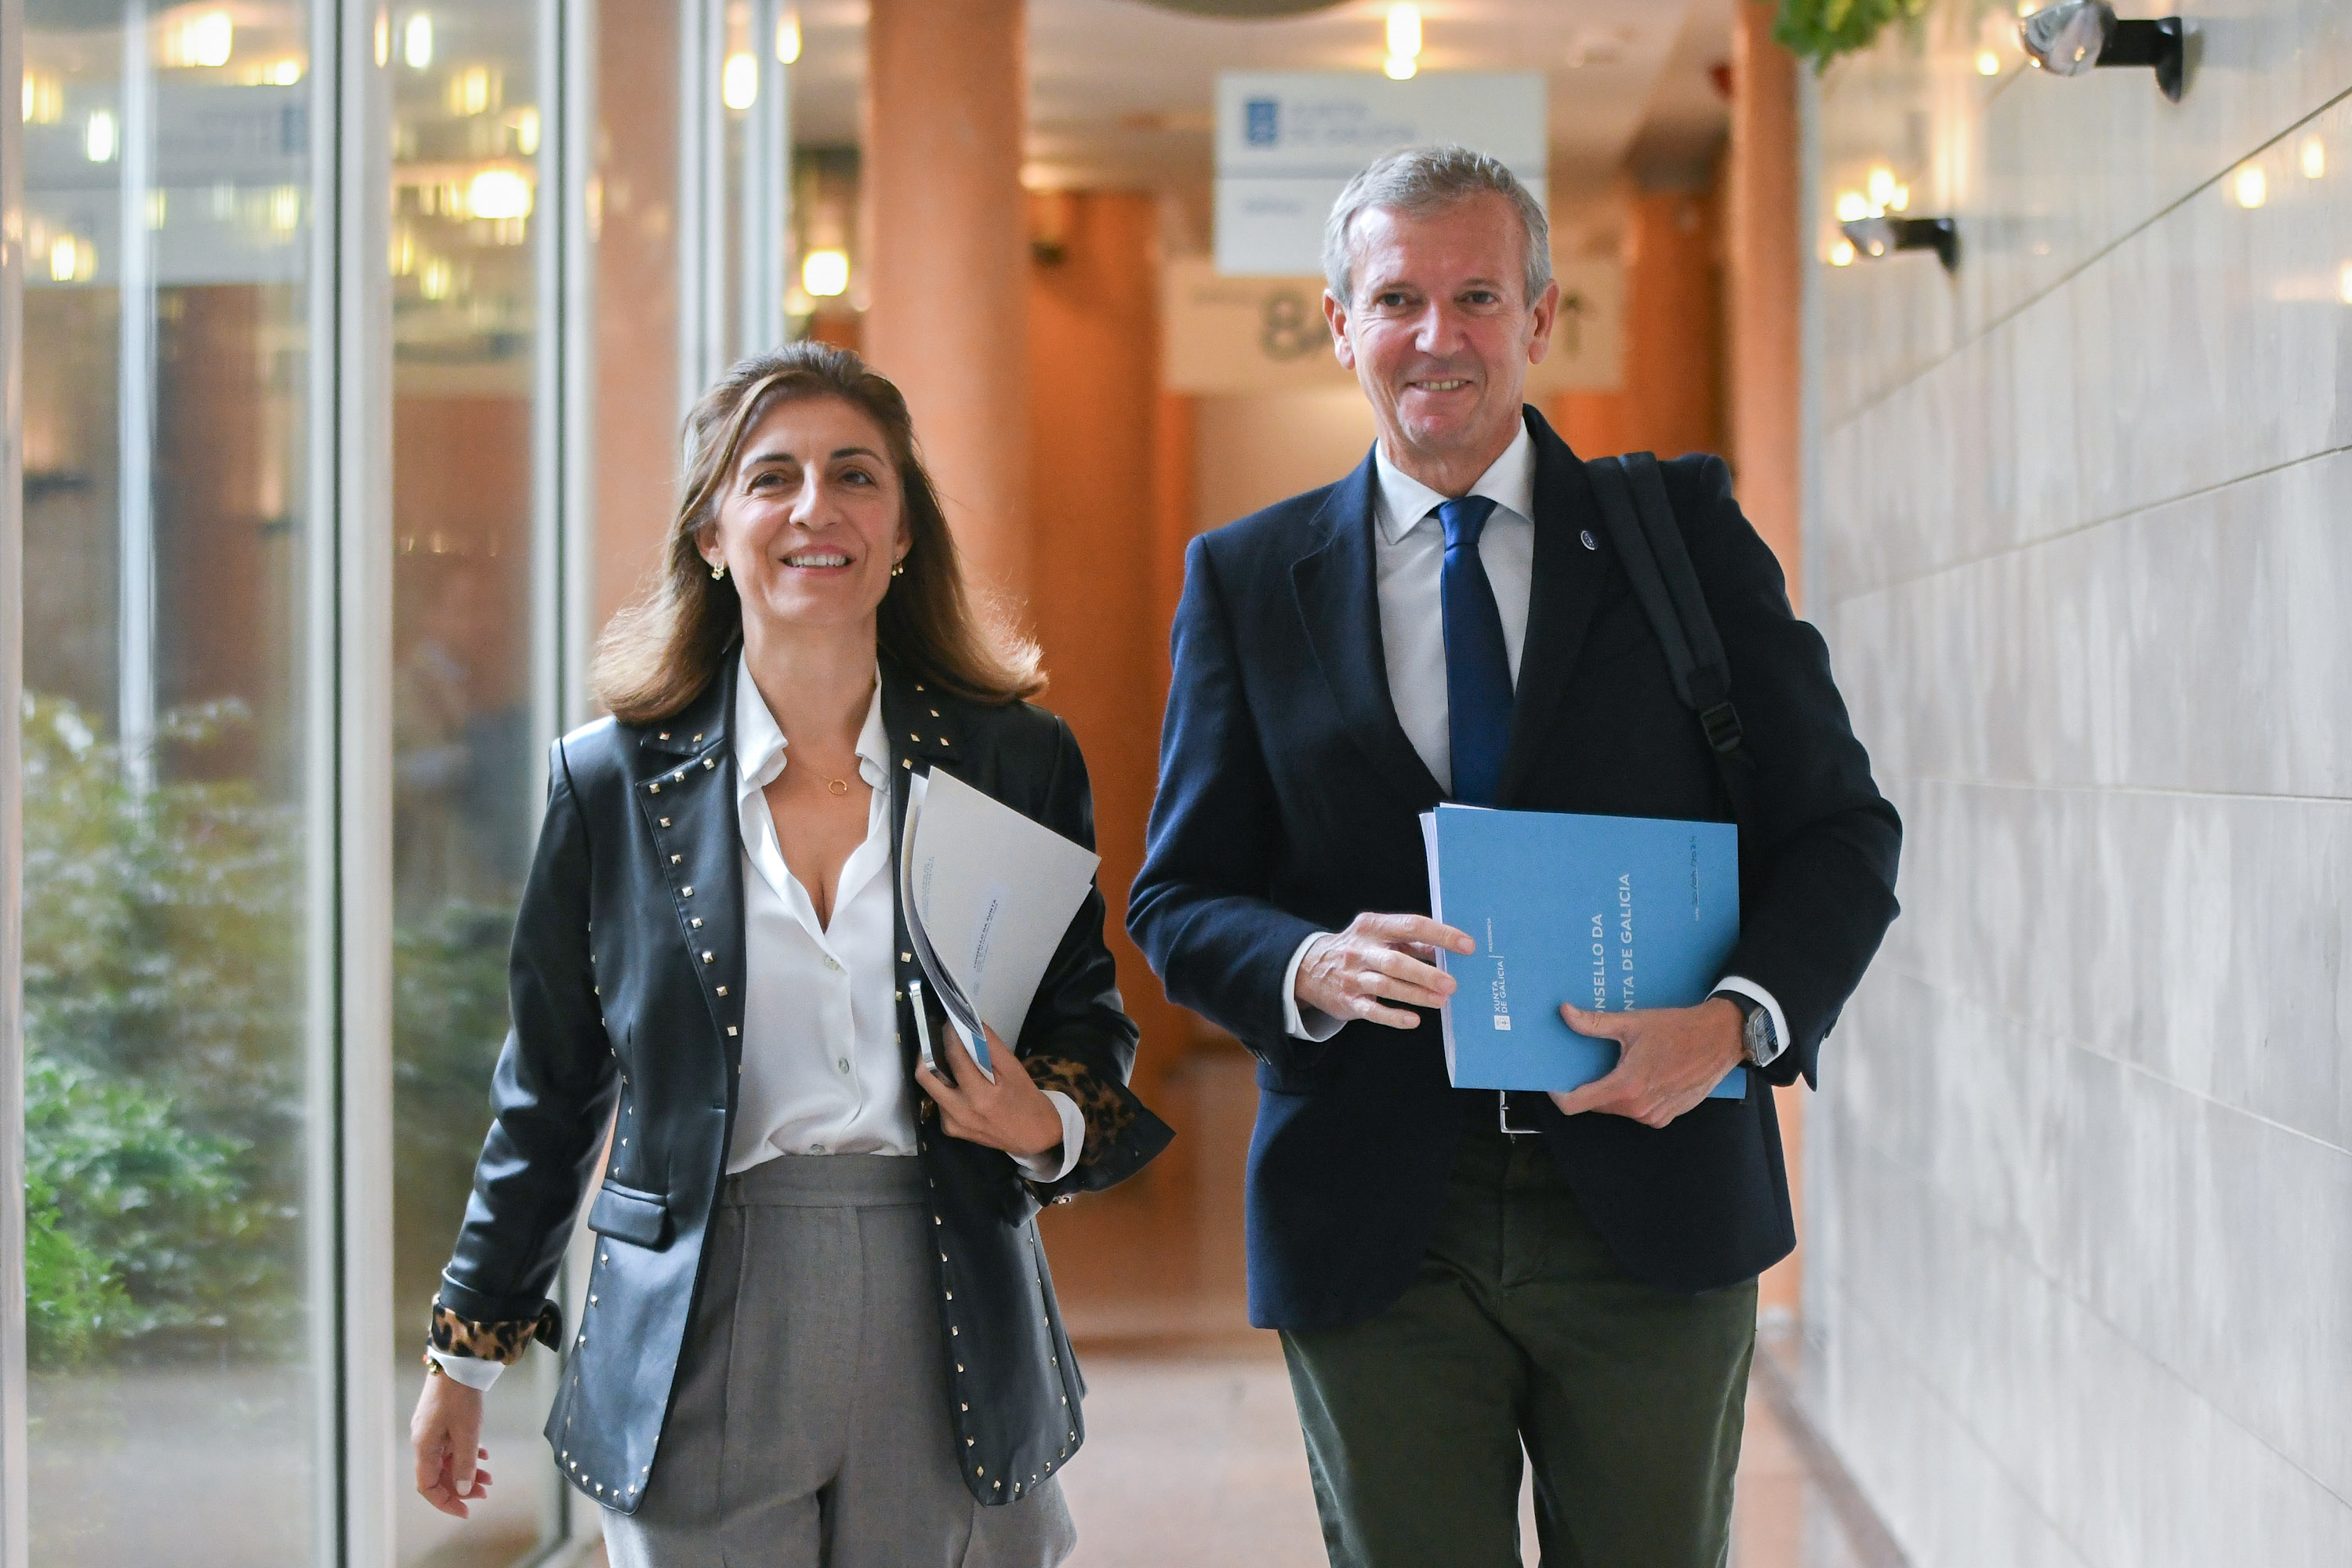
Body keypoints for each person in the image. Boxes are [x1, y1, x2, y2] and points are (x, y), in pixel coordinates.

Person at [1129, 145, 1901, 1566]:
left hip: (1652, 1191)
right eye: (1397, 299)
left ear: (1541, 318)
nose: (1438, 336)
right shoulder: (1246, 579)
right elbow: (1178, 895)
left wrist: (1735, 1024)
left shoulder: (1681, 537)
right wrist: (1307, 963)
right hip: (1374, 1214)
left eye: (1477, 296)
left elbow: (1844, 833)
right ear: (1339, 323)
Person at [408, 342, 1171, 1567]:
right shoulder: (606, 784)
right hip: (697, 1311)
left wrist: (1046, 1121)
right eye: (773, 478)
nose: (817, 508)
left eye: (855, 475)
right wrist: (465, 1356)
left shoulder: (1013, 760)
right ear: (712, 532)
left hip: (948, 1290)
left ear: (904, 530)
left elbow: (1087, 1018)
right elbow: (549, 1089)